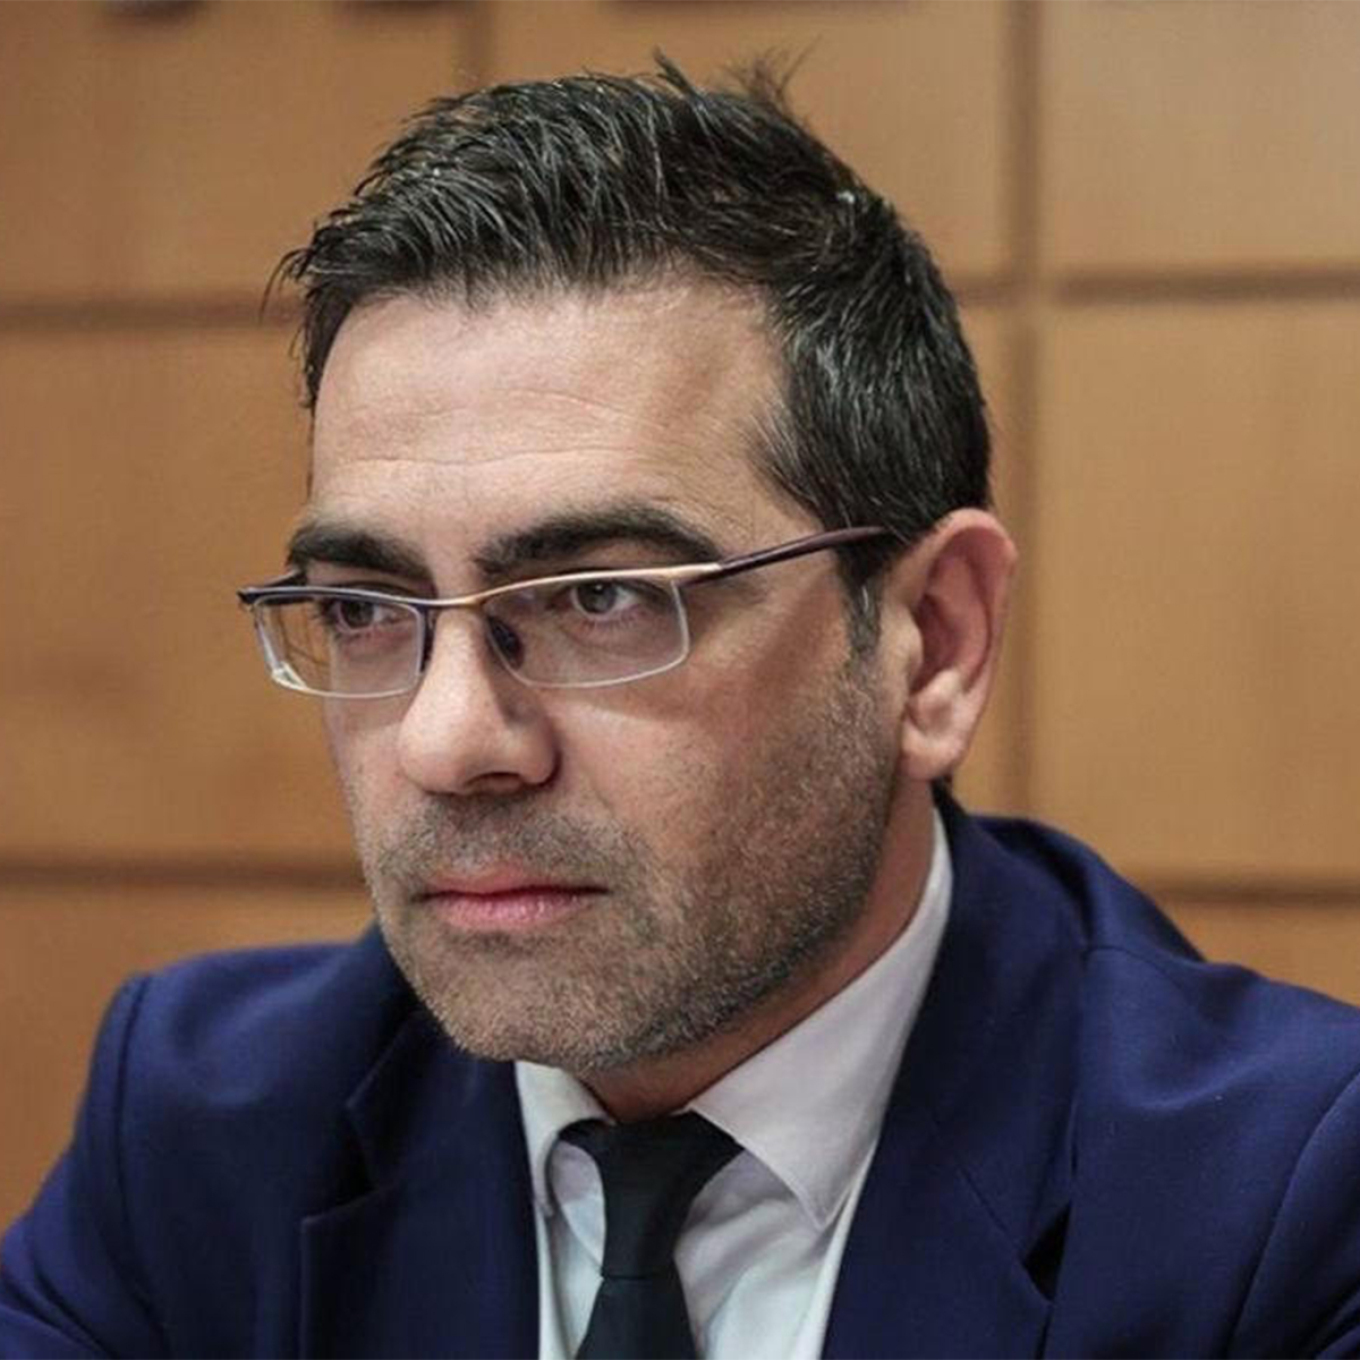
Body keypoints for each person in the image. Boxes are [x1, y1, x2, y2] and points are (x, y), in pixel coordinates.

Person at [4, 59, 1360, 1360]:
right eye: (367, 609)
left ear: (933, 644)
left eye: (602, 599)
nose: (446, 741)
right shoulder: (205, 1130)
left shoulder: (1282, 1201)